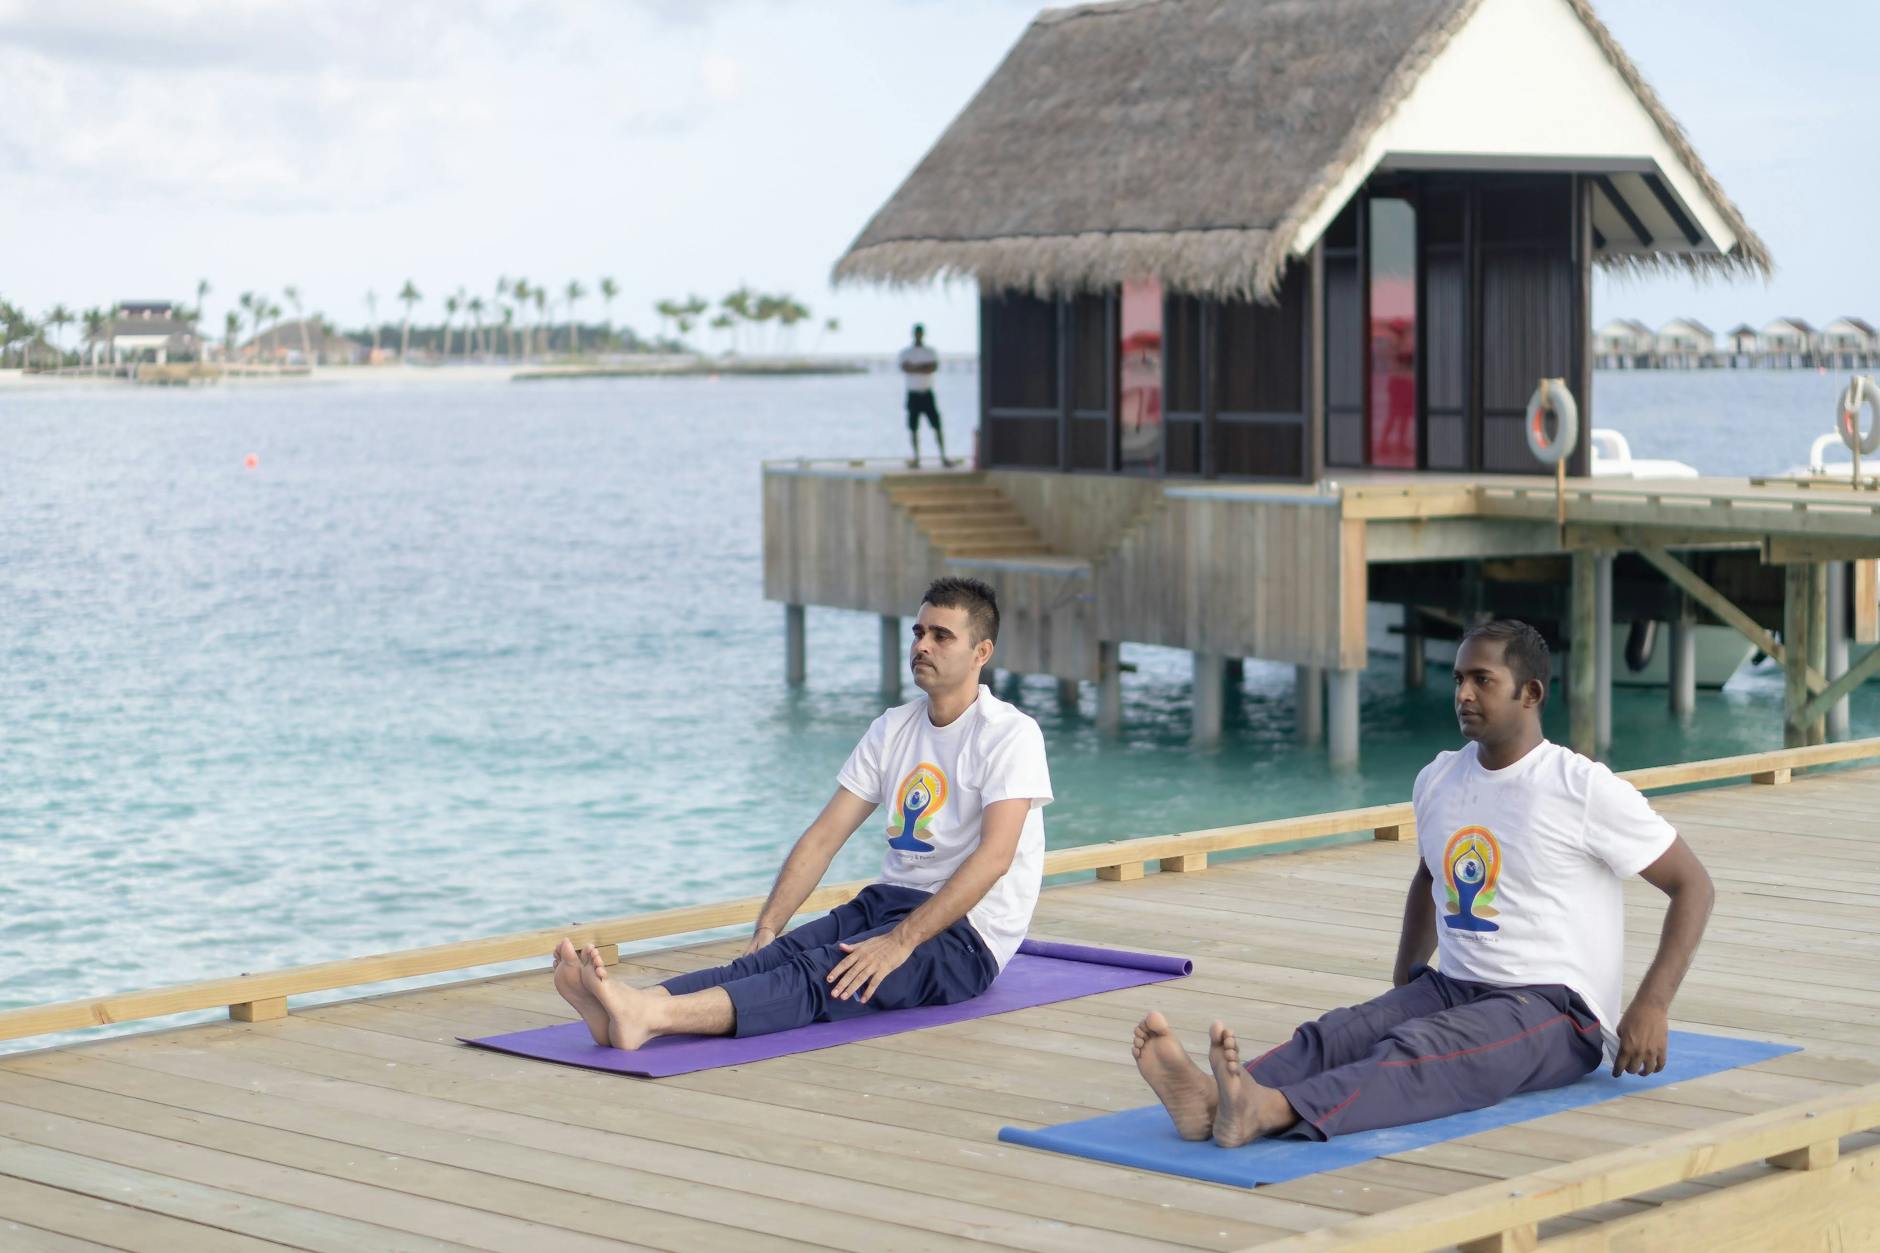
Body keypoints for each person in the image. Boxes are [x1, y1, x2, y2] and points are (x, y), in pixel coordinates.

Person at [1131, 618, 1715, 1145]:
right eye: (1459, 678)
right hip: (1453, 984)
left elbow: (1693, 886)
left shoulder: (1581, 788)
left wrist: (1651, 1005)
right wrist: (1406, 985)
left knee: (1422, 1052)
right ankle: (1213, 1101)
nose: (1462, 693)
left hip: (1555, 1010)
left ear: (1530, 693)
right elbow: (1428, 877)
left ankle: (1270, 1109)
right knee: (1341, 1032)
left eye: (1482, 680)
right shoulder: (1439, 777)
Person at [553, 576, 1051, 1049]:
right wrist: (768, 928)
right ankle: (626, 1009)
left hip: (965, 937)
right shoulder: (893, 727)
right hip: (887, 903)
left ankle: (650, 1019)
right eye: (919, 631)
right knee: (771, 960)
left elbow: (994, 858)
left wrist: (899, 943)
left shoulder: (1009, 734)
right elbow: (822, 839)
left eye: (942, 636)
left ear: (981, 652)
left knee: (820, 977)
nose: (922, 645)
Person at [898, 323, 954, 468]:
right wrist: (923, 367)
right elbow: (905, 368)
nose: (918, 335)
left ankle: (943, 457)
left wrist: (914, 367)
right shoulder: (906, 352)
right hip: (913, 394)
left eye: (920, 332)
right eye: (916, 332)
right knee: (913, 428)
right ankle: (916, 458)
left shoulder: (930, 351)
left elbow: (932, 368)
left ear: (923, 334)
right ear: (913, 334)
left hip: (927, 394)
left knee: (937, 425)